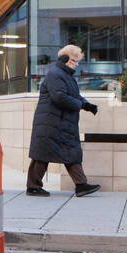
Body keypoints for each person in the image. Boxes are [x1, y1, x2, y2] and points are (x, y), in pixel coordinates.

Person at [27, 44, 101, 197]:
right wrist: (80, 105)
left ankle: (81, 185)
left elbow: (74, 95)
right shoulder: (55, 74)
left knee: (72, 153)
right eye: (75, 60)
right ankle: (33, 187)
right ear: (65, 59)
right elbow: (59, 97)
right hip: (50, 123)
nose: (77, 64)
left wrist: (87, 105)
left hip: (62, 123)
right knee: (42, 154)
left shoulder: (66, 76)